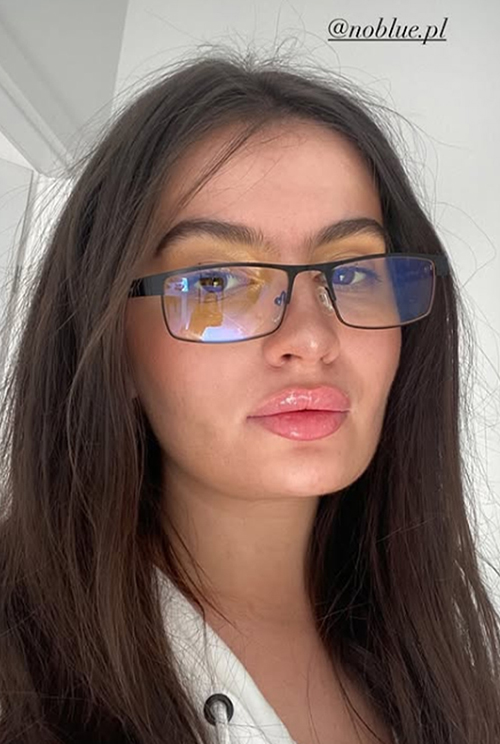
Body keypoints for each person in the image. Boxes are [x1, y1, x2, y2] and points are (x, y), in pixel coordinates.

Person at [0, 47, 499, 744]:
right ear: (111, 339)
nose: (311, 338)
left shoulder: (451, 669)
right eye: (217, 282)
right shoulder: (20, 677)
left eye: (355, 272)